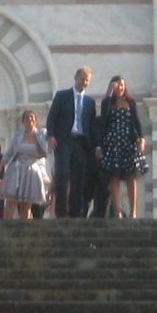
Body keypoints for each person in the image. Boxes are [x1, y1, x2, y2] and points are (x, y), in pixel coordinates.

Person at [46, 66, 99, 218]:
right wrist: (51, 135)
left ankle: (76, 211)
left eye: (87, 80)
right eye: (82, 79)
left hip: (81, 142)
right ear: (76, 78)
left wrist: (96, 145)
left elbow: (92, 124)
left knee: (79, 177)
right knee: (62, 175)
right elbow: (52, 117)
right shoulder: (62, 96)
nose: (85, 82)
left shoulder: (90, 102)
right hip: (64, 140)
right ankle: (61, 211)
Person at [95, 75, 146, 219]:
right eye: (116, 85)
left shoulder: (130, 102)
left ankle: (133, 211)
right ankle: (117, 211)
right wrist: (109, 93)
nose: (120, 88)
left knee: (131, 176)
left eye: (122, 85)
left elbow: (136, 122)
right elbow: (103, 120)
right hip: (112, 142)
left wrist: (141, 139)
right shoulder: (108, 103)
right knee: (114, 177)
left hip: (128, 142)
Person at [0, 108, 51, 220]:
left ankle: (24, 226)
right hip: (16, 168)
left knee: (27, 201)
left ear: (36, 120)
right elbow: (9, 152)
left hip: (31, 169)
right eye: (27, 117)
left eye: (32, 117)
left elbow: (47, 149)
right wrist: (0, 166)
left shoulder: (42, 134)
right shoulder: (18, 136)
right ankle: (6, 224)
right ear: (23, 121)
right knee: (11, 199)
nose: (29, 119)